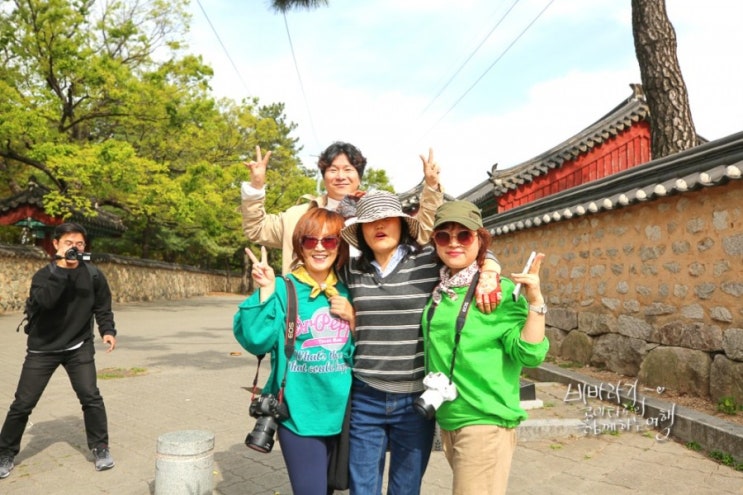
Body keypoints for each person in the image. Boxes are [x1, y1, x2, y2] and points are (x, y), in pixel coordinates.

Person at [338, 191, 501, 495]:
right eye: (370, 222)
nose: (379, 226)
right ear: (360, 231)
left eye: (387, 219)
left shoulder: (427, 261)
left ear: (402, 225)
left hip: (415, 401)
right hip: (365, 397)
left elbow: (471, 250)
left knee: (406, 488)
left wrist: (490, 268)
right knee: (362, 488)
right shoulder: (351, 270)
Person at [421, 200, 549, 495]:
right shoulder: (441, 288)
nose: (453, 244)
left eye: (463, 236)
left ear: (480, 240)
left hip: (485, 420)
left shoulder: (497, 291)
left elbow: (529, 353)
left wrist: (536, 303)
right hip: (451, 417)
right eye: (444, 236)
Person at [233, 208, 355, 495]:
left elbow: (363, 350)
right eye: (311, 241)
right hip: (299, 412)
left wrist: (354, 318)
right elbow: (254, 340)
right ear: (300, 245)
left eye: (330, 241)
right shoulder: (282, 287)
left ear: (341, 246)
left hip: (346, 413)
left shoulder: (350, 289)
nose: (321, 248)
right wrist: (264, 292)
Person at [0, 222, 118, 480]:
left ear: (85, 246)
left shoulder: (94, 275)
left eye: (79, 244)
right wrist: (63, 268)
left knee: (91, 396)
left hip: (79, 346)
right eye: (68, 243)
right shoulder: (45, 275)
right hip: (43, 349)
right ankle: (5, 453)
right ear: (55, 245)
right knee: (23, 404)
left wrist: (107, 330)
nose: (74, 248)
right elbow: (48, 301)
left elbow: (102, 307)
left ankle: (101, 448)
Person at [240, 141, 444, 274]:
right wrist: (256, 186)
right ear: (324, 175)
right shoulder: (298, 216)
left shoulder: (379, 216)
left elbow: (423, 234)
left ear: (359, 176)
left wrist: (432, 188)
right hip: (310, 311)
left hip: (364, 309)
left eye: (348, 169)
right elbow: (256, 228)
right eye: (333, 170)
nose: (340, 176)